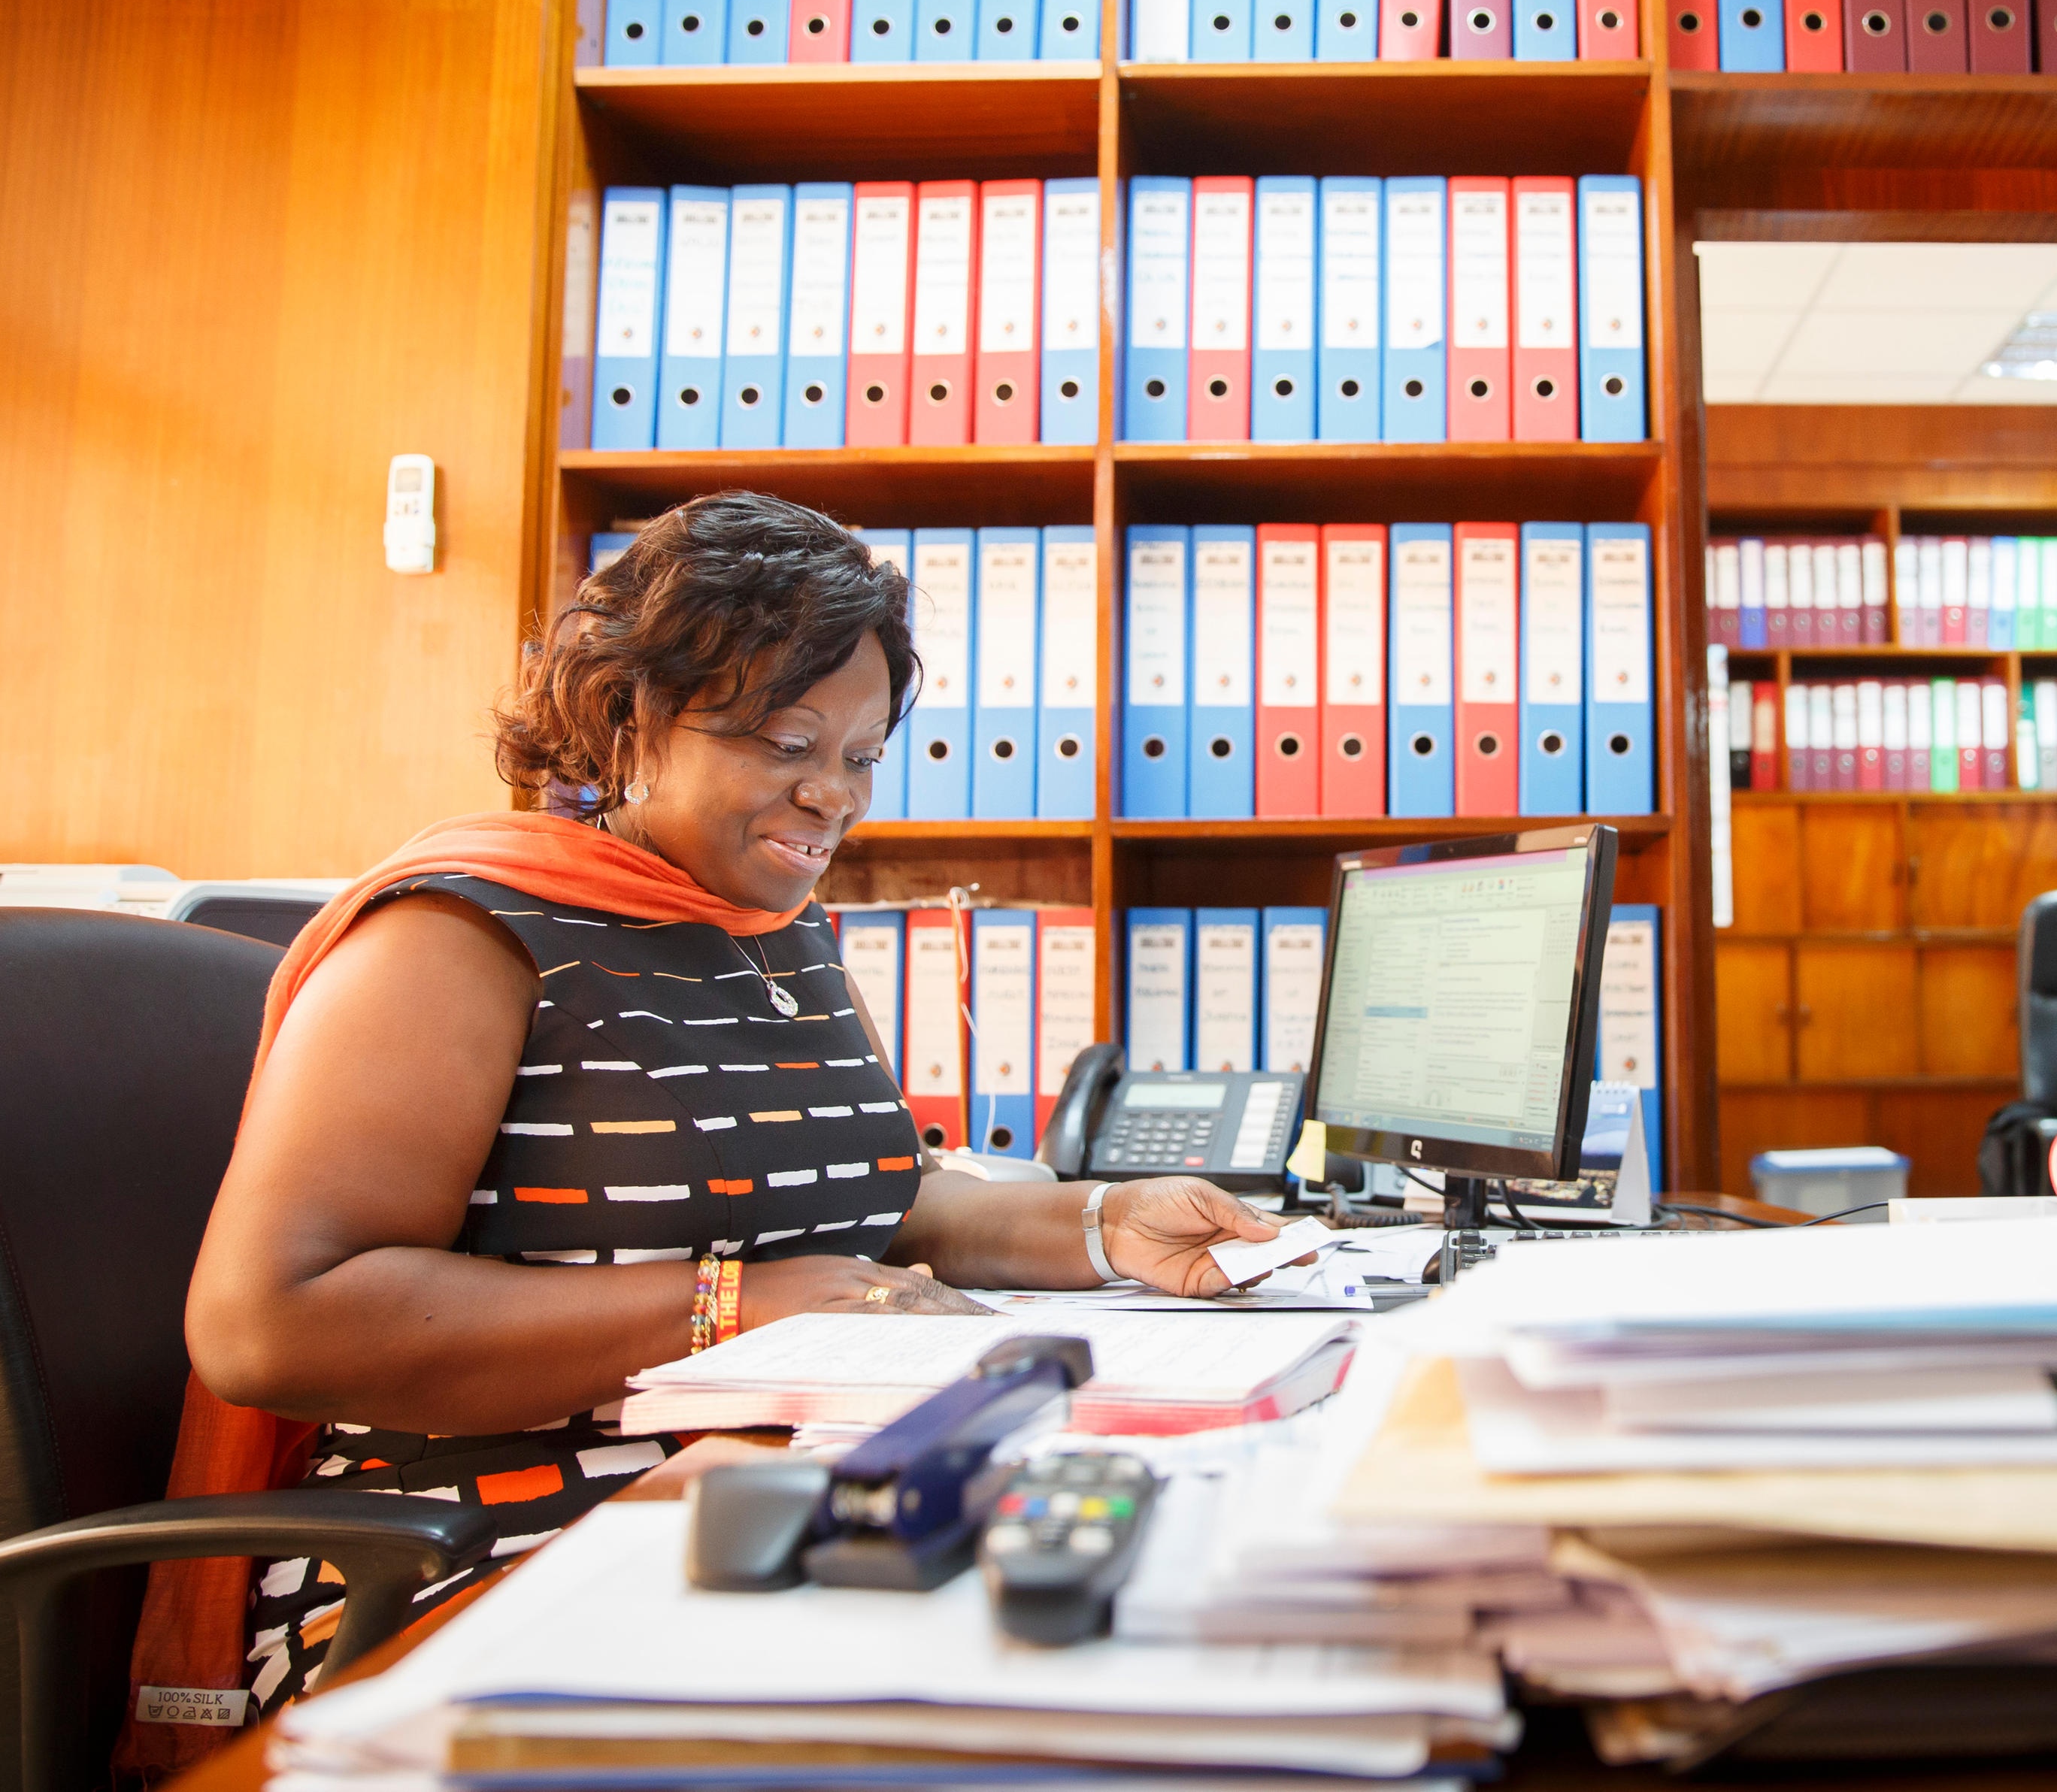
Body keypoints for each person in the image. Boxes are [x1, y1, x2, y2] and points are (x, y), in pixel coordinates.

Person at [171, 492, 1281, 1715]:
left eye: (860, 754)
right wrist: (728, 1304)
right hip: (476, 1548)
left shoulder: (776, 934)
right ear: (627, 720)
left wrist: (1100, 1222)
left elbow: (873, 1210)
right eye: (784, 741)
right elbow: (272, 1323)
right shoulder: (462, 934)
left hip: (755, 1490)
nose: (835, 796)